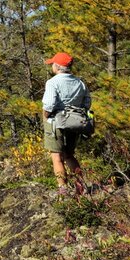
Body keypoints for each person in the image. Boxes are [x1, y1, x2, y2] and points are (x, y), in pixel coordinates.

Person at [42, 52, 91, 195]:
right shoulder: (80, 82)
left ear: (57, 66)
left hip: (55, 122)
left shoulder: (52, 82)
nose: (51, 66)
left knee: (56, 157)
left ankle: (63, 190)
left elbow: (49, 105)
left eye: (52, 64)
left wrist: (45, 117)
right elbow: (87, 102)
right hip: (75, 122)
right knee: (69, 154)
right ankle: (81, 186)